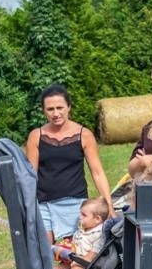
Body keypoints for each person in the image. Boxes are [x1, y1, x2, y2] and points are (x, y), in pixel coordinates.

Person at [25, 85, 113, 241]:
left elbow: (97, 172)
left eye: (60, 107)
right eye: (50, 109)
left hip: (74, 204)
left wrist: (109, 206)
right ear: (43, 111)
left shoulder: (84, 135)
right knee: (44, 253)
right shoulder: (36, 136)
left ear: (69, 107)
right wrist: (27, 206)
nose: (56, 113)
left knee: (73, 254)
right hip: (43, 204)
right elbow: (30, 176)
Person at [52, 197, 111, 269]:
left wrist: (79, 261)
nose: (80, 217)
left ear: (97, 219)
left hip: (86, 264)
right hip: (74, 258)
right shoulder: (83, 229)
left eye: (84, 215)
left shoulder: (99, 234)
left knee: (78, 268)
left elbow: (93, 254)